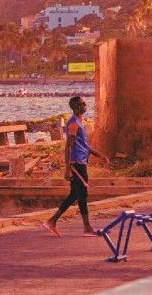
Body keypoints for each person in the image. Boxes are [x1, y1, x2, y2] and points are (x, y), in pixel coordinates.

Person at [42, 95, 108, 237]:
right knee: (83, 193)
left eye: (84, 103)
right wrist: (67, 168)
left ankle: (52, 221)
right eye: (83, 104)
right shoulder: (73, 124)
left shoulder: (80, 122)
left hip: (82, 161)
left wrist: (99, 156)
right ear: (77, 107)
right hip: (76, 164)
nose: (85, 105)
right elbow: (68, 147)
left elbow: (84, 145)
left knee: (74, 195)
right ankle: (87, 228)